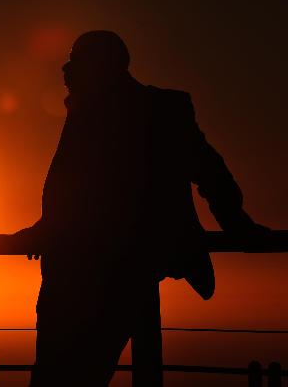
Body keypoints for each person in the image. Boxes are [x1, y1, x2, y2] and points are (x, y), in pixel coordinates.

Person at [23, 31, 268, 386]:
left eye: (76, 60)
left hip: (107, 279)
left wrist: (238, 225)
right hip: (73, 277)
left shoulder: (160, 111)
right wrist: (47, 228)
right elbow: (72, 191)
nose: (66, 69)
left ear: (103, 66)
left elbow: (209, 171)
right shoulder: (86, 111)